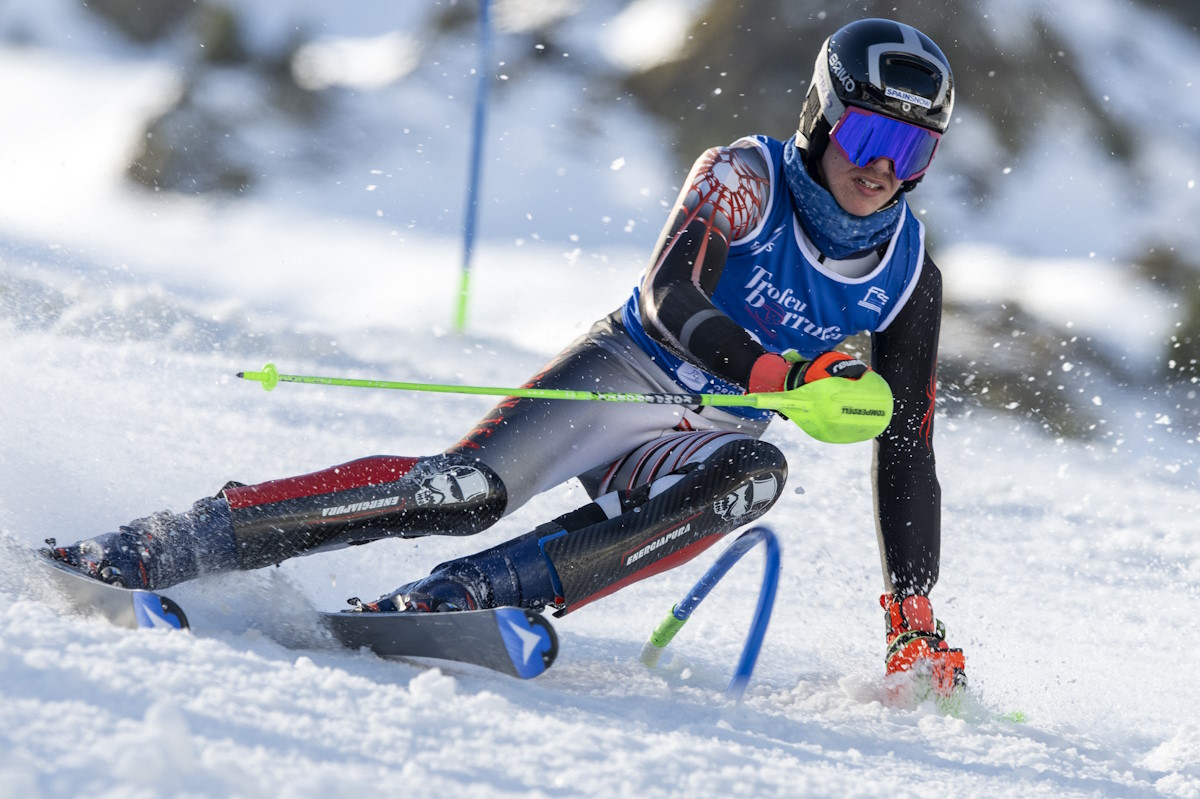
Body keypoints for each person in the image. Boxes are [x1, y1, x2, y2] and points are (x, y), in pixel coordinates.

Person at [48, 18, 965, 694]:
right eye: (869, 133)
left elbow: (909, 444)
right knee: (463, 491)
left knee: (754, 474)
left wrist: (912, 612)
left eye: (912, 149)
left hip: (704, 433)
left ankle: (456, 599)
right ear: (822, 115)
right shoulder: (744, 176)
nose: (883, 168)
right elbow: (670, 298)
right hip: (628, 371)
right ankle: (159, 545)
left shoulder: (909, 269)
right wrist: (784, 376)